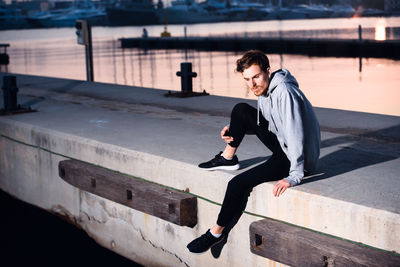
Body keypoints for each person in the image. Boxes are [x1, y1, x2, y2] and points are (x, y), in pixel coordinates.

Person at [186, 50, 320, 257]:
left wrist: (294, 175)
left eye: (256, 77)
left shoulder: (284, 92)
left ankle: (216, 233)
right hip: (282, 144)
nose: (252, 84)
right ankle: (228, 158)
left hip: (292, 155)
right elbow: (267, 123)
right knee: (240, 110)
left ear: (267, 71)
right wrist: (235, 129)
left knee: (237, 184)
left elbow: (295, 134)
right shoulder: (265, 91)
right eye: (247, 79)